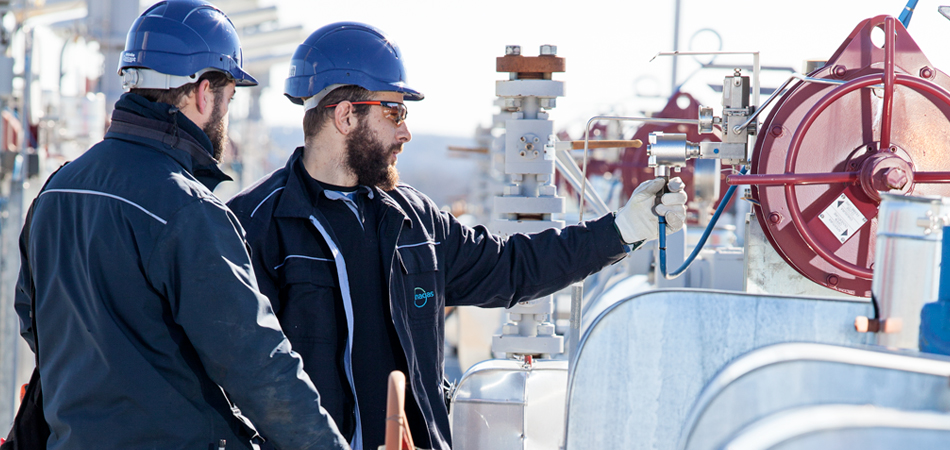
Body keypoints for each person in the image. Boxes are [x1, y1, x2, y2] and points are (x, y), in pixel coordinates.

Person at [226, 22, 687, 450]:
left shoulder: (416, 221)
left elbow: (514, 267)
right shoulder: (253, 228)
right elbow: (234, 379)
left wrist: (623, 229)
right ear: (346, 115)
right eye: (394, 112)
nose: (406, 131)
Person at [13, 1, 350, 449]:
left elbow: (33, 318)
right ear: (204, 93)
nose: (226, 115)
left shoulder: (56, 190)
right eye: (229, 98)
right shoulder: (187, 210)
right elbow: (258, 364)